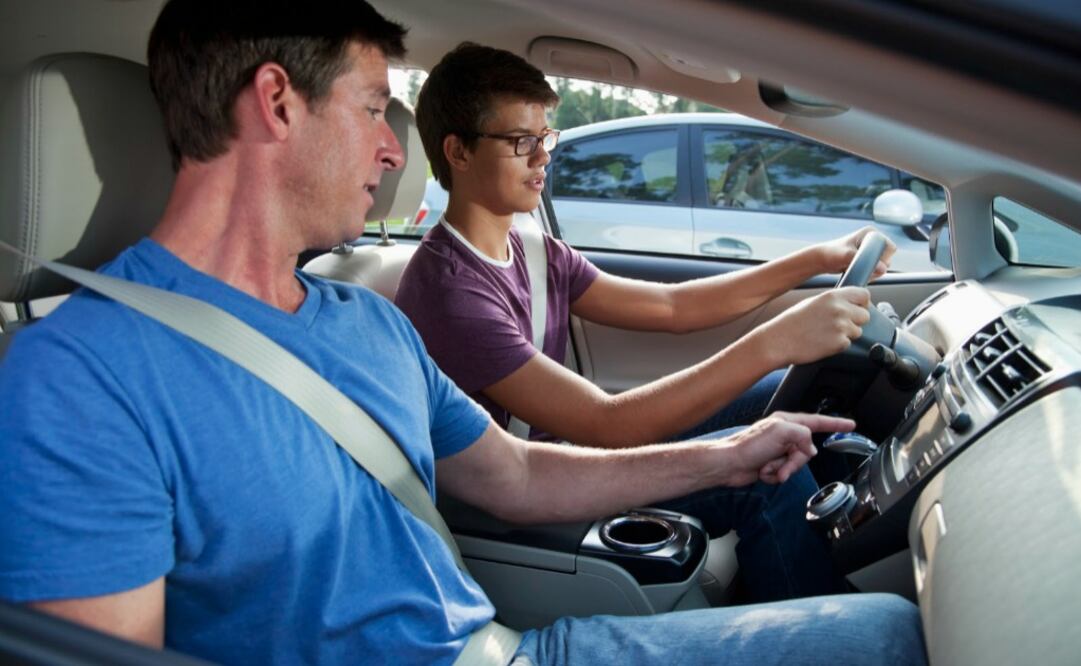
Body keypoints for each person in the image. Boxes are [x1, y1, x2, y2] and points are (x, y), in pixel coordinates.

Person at [0, 2, 925, 665]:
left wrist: (728, 456)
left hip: (504, 646)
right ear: (277, 103)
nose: (393, 148)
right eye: (373, 109)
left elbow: (517, 475)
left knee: (888, 631)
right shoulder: (79, 376)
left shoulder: (366, 319)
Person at [394, 42, 889, 603]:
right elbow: (607, 424)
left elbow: (672, 308)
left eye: (545, 137)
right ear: (457, 152)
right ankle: (823, 632)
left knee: (784, 392)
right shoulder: (449, 292)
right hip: (532, 497)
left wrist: (816, 259)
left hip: (573, 460)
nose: (542, 157)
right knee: (768, 478)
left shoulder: (533, 250)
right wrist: (775, 340)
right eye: (520, 142)